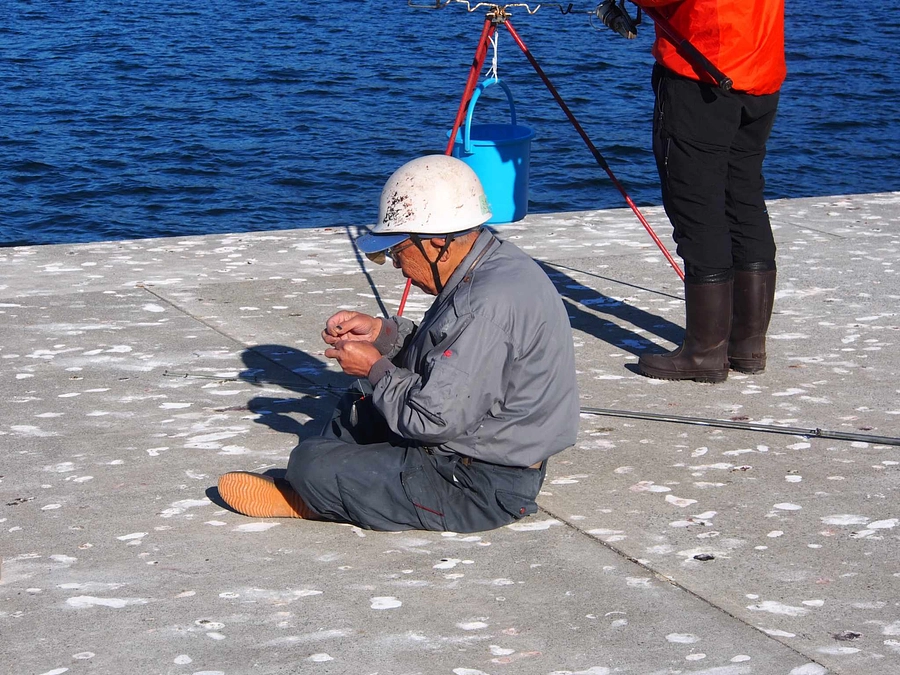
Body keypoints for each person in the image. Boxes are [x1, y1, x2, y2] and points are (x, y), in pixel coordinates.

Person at [217, 155, 580, 532]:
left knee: (310, 463)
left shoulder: (483, 305)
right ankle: (346, 485)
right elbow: (445, 356)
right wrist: (382, 336)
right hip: (477, 448)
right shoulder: (492, 263)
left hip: (479, 485)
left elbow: (431, 419)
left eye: (398, 251)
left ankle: (320, 494)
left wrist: (376, 366)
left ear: (437, 241)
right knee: (359, 402)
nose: (397, 265)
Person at [625, 0, 786, 382]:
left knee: (697, 206)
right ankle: (747, 345)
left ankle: (705, 354)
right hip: (759, 70)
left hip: (705, 73)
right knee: (743, 199)